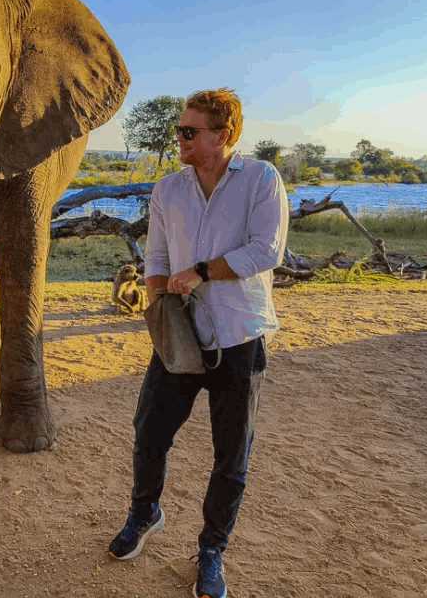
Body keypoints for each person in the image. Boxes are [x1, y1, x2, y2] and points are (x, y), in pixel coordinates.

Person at [107, 88, 288, 598]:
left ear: (224, 134)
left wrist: (202, 272)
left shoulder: (261, 179)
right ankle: (145, 513)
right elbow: (158, 259)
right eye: (179, 131)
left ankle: (211, 549)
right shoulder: (168, 189)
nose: (180, 139)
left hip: (240, 335)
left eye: (190, 132)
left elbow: (266, 250)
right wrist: (158, 305)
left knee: (231, 455)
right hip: (180, 335)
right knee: (149, 431)